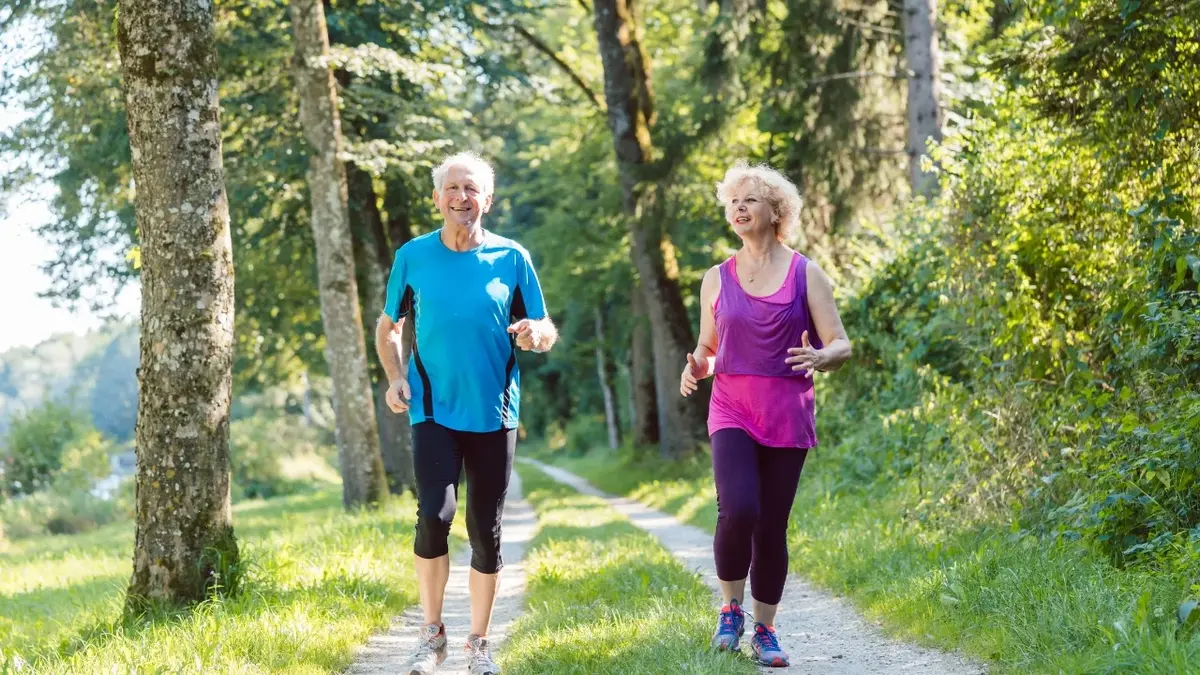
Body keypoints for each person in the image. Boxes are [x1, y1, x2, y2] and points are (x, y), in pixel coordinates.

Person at [375, 151, 558, 675]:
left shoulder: (512, 258)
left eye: (472, 189)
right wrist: (395, 376)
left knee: (485, 526)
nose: (461, 197)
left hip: (495, 410)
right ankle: (431, 636)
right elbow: (390, 325)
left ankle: (478, 645)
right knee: (434, 517)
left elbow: (544, 327)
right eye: (452, 188)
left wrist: (535, 333)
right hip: (431, 408)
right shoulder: (413, 256)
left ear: (488, 200)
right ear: (437, 198)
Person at [679, 161, 852, 667]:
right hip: (731, 405)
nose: (738, 207)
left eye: (750, 199)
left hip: (786, 411)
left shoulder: (806, 273)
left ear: (776, 211)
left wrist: (821, 356)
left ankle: (766, 629)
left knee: (771, 525)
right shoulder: (716, 278)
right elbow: (708, 348)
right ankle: (730, 608)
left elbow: (841, 343)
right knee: (738, 508)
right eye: (733, 200)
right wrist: (696, 367)